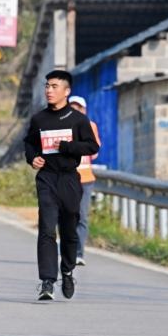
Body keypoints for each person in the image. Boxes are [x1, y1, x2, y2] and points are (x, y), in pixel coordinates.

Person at [24, 70, 100, 302]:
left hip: (69, 179)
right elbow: (29, 143)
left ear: (66, 91)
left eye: (54, 86)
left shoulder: (78, 120)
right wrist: (32, 158)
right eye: (47, 86)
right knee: (47, 229)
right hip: (46, 178)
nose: (49, 90)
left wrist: (68, 147)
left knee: (69, 228)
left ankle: (66, 270)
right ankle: (47, 281)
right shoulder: (39, 119)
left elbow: (92, 147)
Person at [69, 95, 101, 266]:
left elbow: (95, 152)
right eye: (72, 108)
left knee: (82, 216)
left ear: (84, 111)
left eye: (78, 109)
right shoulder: (60, 127)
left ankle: (79, 253)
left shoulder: (91, 127)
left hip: (85, 179)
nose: (75, 111)